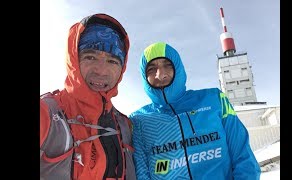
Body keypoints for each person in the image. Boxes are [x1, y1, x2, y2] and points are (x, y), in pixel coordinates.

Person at [129, 42, 261, 179]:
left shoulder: (215, 100)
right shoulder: (138, 120)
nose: (160, 74)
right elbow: (141, 174)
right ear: (144, 77)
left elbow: (244, 158)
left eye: (167, 65)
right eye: (151, 69)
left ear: (178, 67)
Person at [40, 13, 136, 180]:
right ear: (74, 60)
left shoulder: (125, 126)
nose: (101, 71)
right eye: (90, 57)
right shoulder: (45, 113)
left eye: (112, 61)